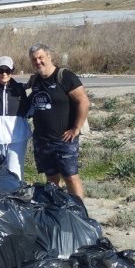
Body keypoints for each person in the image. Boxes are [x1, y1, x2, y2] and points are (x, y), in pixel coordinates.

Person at [26, 43, 90, 199]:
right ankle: (57, 209)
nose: (38, 62)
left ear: (49, 56)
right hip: (43, 140)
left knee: (70, 176)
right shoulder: (35, 80)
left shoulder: (65, 76)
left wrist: (76, 127)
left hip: (64, 139)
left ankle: (78, 211)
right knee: (51, 177)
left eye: (41, 57)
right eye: (34, 59)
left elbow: (83, 102)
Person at [0, 55, 30, 180]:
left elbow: (27, 108)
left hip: (17, 138)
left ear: (12, 71)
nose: (4, 73)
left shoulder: (19, 89)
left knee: (15, 171)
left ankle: (16, 196)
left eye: (7, 70)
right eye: (0, 70)